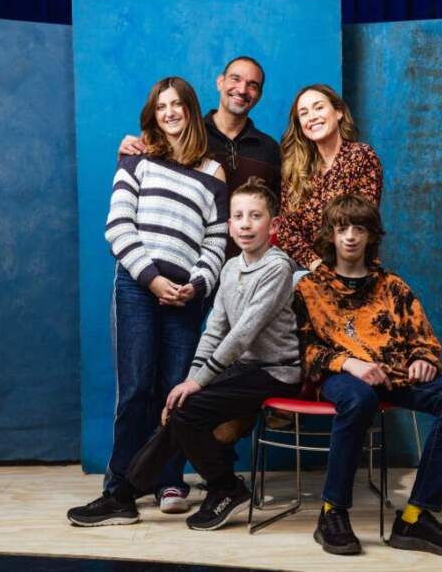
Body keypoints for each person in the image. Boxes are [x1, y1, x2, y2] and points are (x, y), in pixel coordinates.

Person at [69, 178, 301, 531]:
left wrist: (196, 383)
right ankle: (124, 496)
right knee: (180, 407)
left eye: (256, 216)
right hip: (242, 370)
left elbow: (242, 335)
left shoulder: (277, 267)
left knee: (187, 409)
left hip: (276, 371)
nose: (245, 224)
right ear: (229, 226)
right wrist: (190, 382)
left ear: (274, 224)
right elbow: (214, 331)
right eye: (238, 216)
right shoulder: (230, 268)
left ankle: (224, 487)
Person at [294, 194, 442, 557]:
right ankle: (332, 513)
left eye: (359, 228)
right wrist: (349, 364)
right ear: (330, 235)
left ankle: (415, 517)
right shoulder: (310, 288)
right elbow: (302, 350)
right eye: (342, 228)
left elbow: (423, 339)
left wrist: (423, 359)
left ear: (371, 235)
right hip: (341, 377)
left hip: (395, 376)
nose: (350, 236)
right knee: (360, 398)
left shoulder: (392, 286)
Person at [102, 76, 228, 514]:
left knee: (176, 391)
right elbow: (118, 227)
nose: (170, 112)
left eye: (177, 105)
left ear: (192, 110)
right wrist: (152, 279)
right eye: (161, 107)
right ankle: (119, 483)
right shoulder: (135, 159)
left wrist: (196, 285)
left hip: (185, 296)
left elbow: (216, 243)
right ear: (153, 115)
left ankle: (168, 480)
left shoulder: (213, 172)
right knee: (136, 386)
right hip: (138, 287)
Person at [119, 56, 281, 259]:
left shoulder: (270, 150)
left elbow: (277, 216)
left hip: (251, 269)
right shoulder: (187, 137)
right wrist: (133, 147)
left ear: (259, 95)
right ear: (220, 81)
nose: (241, 90)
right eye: (235, 79)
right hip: (193, 267)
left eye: (252, 85)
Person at [276, 84, 383, 270]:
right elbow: (287, 231)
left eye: (319, 107)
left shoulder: (361, 156)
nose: (312, 117)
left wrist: (333, 274)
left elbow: (362, 221)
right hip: (306, 268)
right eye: (304, 113)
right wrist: (316, 265)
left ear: (338, 112)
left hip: (352, 266)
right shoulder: (295, 168)